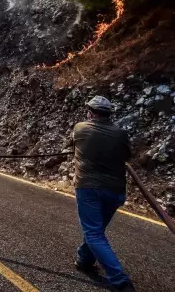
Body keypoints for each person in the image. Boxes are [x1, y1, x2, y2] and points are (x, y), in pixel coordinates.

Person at [72, 96, 134, 291]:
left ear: (90, 112)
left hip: (89, 188)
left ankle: (119, 279)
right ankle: (84, 259)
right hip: (115, 191)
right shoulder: (121, 133)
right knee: (96, 232)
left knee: (94, 233)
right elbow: (127, 155)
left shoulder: (81, 128)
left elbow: (73, 144)